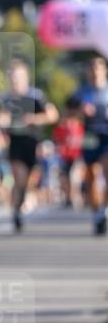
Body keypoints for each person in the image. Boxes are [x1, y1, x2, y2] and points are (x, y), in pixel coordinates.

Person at [0, 59, 58, 232]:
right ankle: (16, 212)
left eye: (18, 78)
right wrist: (3, 122)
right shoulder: (6, 98)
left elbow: (52, 115)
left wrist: (34, 119)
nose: (15, 82)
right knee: (19, 177)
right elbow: (0, 117)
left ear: (26, 77)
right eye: (12, 78)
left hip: (33, 143)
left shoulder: (36, 96)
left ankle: (20, 204)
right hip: (16, 142)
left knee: (28, 182)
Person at [69, 55, 108, 234]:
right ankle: (97, 212)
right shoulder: (82, 91)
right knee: (92, 174)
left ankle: (105, 209)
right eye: (91, 69)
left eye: (98, 69)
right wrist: (80, 110)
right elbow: (68, 110)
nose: (95, 73)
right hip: (90, 135)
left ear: (104, 71)